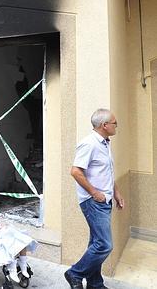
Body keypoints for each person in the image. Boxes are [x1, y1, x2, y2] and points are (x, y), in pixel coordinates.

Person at [64, 109, 124, 289]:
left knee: (96, 243)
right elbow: (75, 171)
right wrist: (94, 192)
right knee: (105, 245)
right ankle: (74, 273)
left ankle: (95, 283)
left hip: (104, 200)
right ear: (104, 125)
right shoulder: (89, 144)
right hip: (93, 202)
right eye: (114, 123)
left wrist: (116, 193)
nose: (116, 125)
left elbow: (106, 173)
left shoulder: (105, 143)